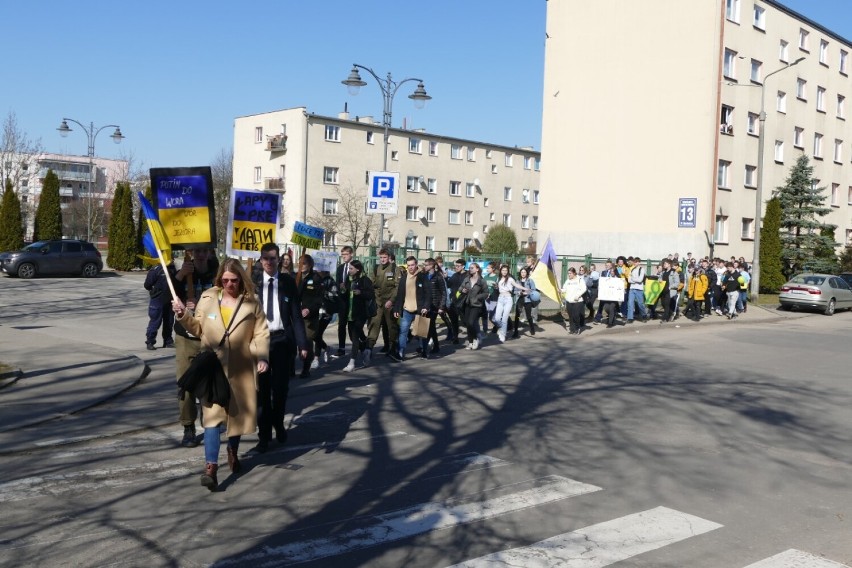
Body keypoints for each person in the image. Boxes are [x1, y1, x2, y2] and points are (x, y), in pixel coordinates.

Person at [172, 258, 270, 492]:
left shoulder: (252, 302)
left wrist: (262, 357)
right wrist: (183, 315)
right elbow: (197, 328)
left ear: (241, 279)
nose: (229, 285)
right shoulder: (207, 297)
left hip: (241, 367)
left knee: (234, 416)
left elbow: (261, 333)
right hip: (212, 367)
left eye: (234, 280)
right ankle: (211, 469)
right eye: (225, 280)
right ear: (219, 279)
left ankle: (232, 451)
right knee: (212, 419)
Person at [252, 243, 309, 452]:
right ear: (260, 260)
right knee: (262, 392)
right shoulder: (254, 283)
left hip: (283, 340)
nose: (269, 262)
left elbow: (295, 315)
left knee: (281, 389)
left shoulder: (286, 282)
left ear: (279, 260)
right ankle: (264, 435)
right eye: (265, 258)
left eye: (273, 258)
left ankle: (278, 421)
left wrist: (303, 343)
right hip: (260, 342)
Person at [173, 246, 219, 448]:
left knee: (209, 383)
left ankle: (208, 416)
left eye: (204, 251)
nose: (200, 255)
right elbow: (166, 293)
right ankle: (188, 426)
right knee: (185, 384)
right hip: (186, 338)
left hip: (209, 336)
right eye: (197, 251)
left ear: (209, 253)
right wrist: (181, 275)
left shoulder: (217, 274)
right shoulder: (182, 273)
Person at [391, 256, 431, 361]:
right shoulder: (404, 277)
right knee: (403, 332)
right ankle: (400, 353)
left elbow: (428, 294)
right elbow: (400, 295)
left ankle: (424, 351)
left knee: (421, 332)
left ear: (416, 264)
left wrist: (426, 306)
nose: (410, 267)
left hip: (420, 309)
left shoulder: (422, 277)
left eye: (412, 265)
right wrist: (396, 309)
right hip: (406, 309)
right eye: (408, 265)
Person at [342, 260, 375, 372]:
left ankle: (352, 362)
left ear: (358, 269)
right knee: (352, 337)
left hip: (360, 313)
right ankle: (365, 349)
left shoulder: (364, 280)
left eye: (351, 269)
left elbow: (371, 294)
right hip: (350, 312)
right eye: (349, 268)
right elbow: (345, 294)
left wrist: (361, 293)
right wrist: (342, 289)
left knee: (355, 336)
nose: (349, 270)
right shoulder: (348, 279)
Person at [367, 248, 400, 355]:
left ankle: (392, 347)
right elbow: (370, 283)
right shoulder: (376, 268)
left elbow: (398, 287)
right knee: (374, 324)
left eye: (385, 257)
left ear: (389, 258)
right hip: (378, 302)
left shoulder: (395, 269)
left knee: (391, 326)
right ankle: (369, 347)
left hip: (389, 302)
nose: (382, 259)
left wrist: (392, 300)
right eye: (380, 257)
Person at [296, 254, 323, 378]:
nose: (301, 266)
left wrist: (309, 309)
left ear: (310, 265)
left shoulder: (315, 278)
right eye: (299, 263)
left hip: (309, 317)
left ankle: (306, 368)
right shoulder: (297, 277)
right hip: (297, 315)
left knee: (307, 342)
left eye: (304, 263)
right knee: (297, 342)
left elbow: (318, 299)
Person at [144, 260, 177, 350]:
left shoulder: (172, 269)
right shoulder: (156, 269)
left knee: (169, 322)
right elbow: (147, 285)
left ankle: (168, 341)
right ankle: (150, 341)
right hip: (157, 300)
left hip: (170, 300)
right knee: (155, 322)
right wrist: (155, 290)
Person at [493, 264, 528, 342]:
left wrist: (525, 288)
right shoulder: (498, 278)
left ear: (508, 271)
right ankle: (501, 329)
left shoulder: (510, 279)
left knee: (504, 319)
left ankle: (503, 335)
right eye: (503, 270)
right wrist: (496, 287)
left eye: (506, 270)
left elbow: (517, 285)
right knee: (497, 318)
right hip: (500, 299)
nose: (504, 272)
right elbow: (498, 288)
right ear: (500, 271)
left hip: (508, 299)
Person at [421, 257, 447, 357]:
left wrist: (441, 306)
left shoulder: (438, 277)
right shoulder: (424, 276)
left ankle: (429, 346)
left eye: (426, 265)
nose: (425, 266)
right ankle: (434, 345)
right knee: (429, 327)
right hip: (426, 305)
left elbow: (443, 293)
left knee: (430, 326)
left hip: (435, 305)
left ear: (431, 265)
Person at [334, 246, 354, 358]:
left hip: (352, 300)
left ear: (351, 254)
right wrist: (339, 286)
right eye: (343, 255)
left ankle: (361, 344)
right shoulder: (340, 268)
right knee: (341, 325)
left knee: (353, 325)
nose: (344, 256)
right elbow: (337, 281)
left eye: (346, 254)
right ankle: (341, 348)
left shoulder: (355, 266)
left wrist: (347, 286)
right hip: (342, 300)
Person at [512, 266, 537, 338]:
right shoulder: (517, 281)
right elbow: (514, 290)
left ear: (527, 273)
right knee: (517, 316)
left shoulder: (530, 281)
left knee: (529, 316)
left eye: (524, 272)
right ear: (520, 273)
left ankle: (532, 328)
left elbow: (533, 290)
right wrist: (519, 293)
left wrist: (526, 293)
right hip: (520, 300)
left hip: (527, 300)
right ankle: (515, 332)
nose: (523, 273)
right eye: (522, 272)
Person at [446, 259, 467, 344]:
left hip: (464, 302)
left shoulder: (468, 275)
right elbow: (448, 285)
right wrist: (445, 278)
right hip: (454, 301)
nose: (456, 267)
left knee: (465, 321)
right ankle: (455, 337)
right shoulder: (454, 275)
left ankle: (473, 335)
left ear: (463, 266)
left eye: (458, 266)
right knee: (454, 320)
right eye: (455, 266)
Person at [561, 266, 587, 335]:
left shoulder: (579, 279)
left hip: (577, 301)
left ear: (574, 273)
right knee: (570, 316)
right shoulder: (568, 281)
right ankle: (572, 329)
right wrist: (560, 290)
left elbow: (584, 288)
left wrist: (578, 295)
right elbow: (564, 289)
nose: (569, 275)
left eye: (570, 273)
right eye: (568, 273)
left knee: (576, 315)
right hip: (569, 301)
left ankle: (577, 328)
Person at [626, 256, 649, 323]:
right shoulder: (632, 269)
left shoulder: (641, 269)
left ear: (639, 262)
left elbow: (640, 280)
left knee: (640, 304)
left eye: (636, 262)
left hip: (639, 289)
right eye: (634, 262)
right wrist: (634, 280)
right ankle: (630, 318)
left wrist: (633, 279)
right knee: (630, 303)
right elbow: (629, 280)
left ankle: (644, 315)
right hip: (632, 289)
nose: (635, 263)